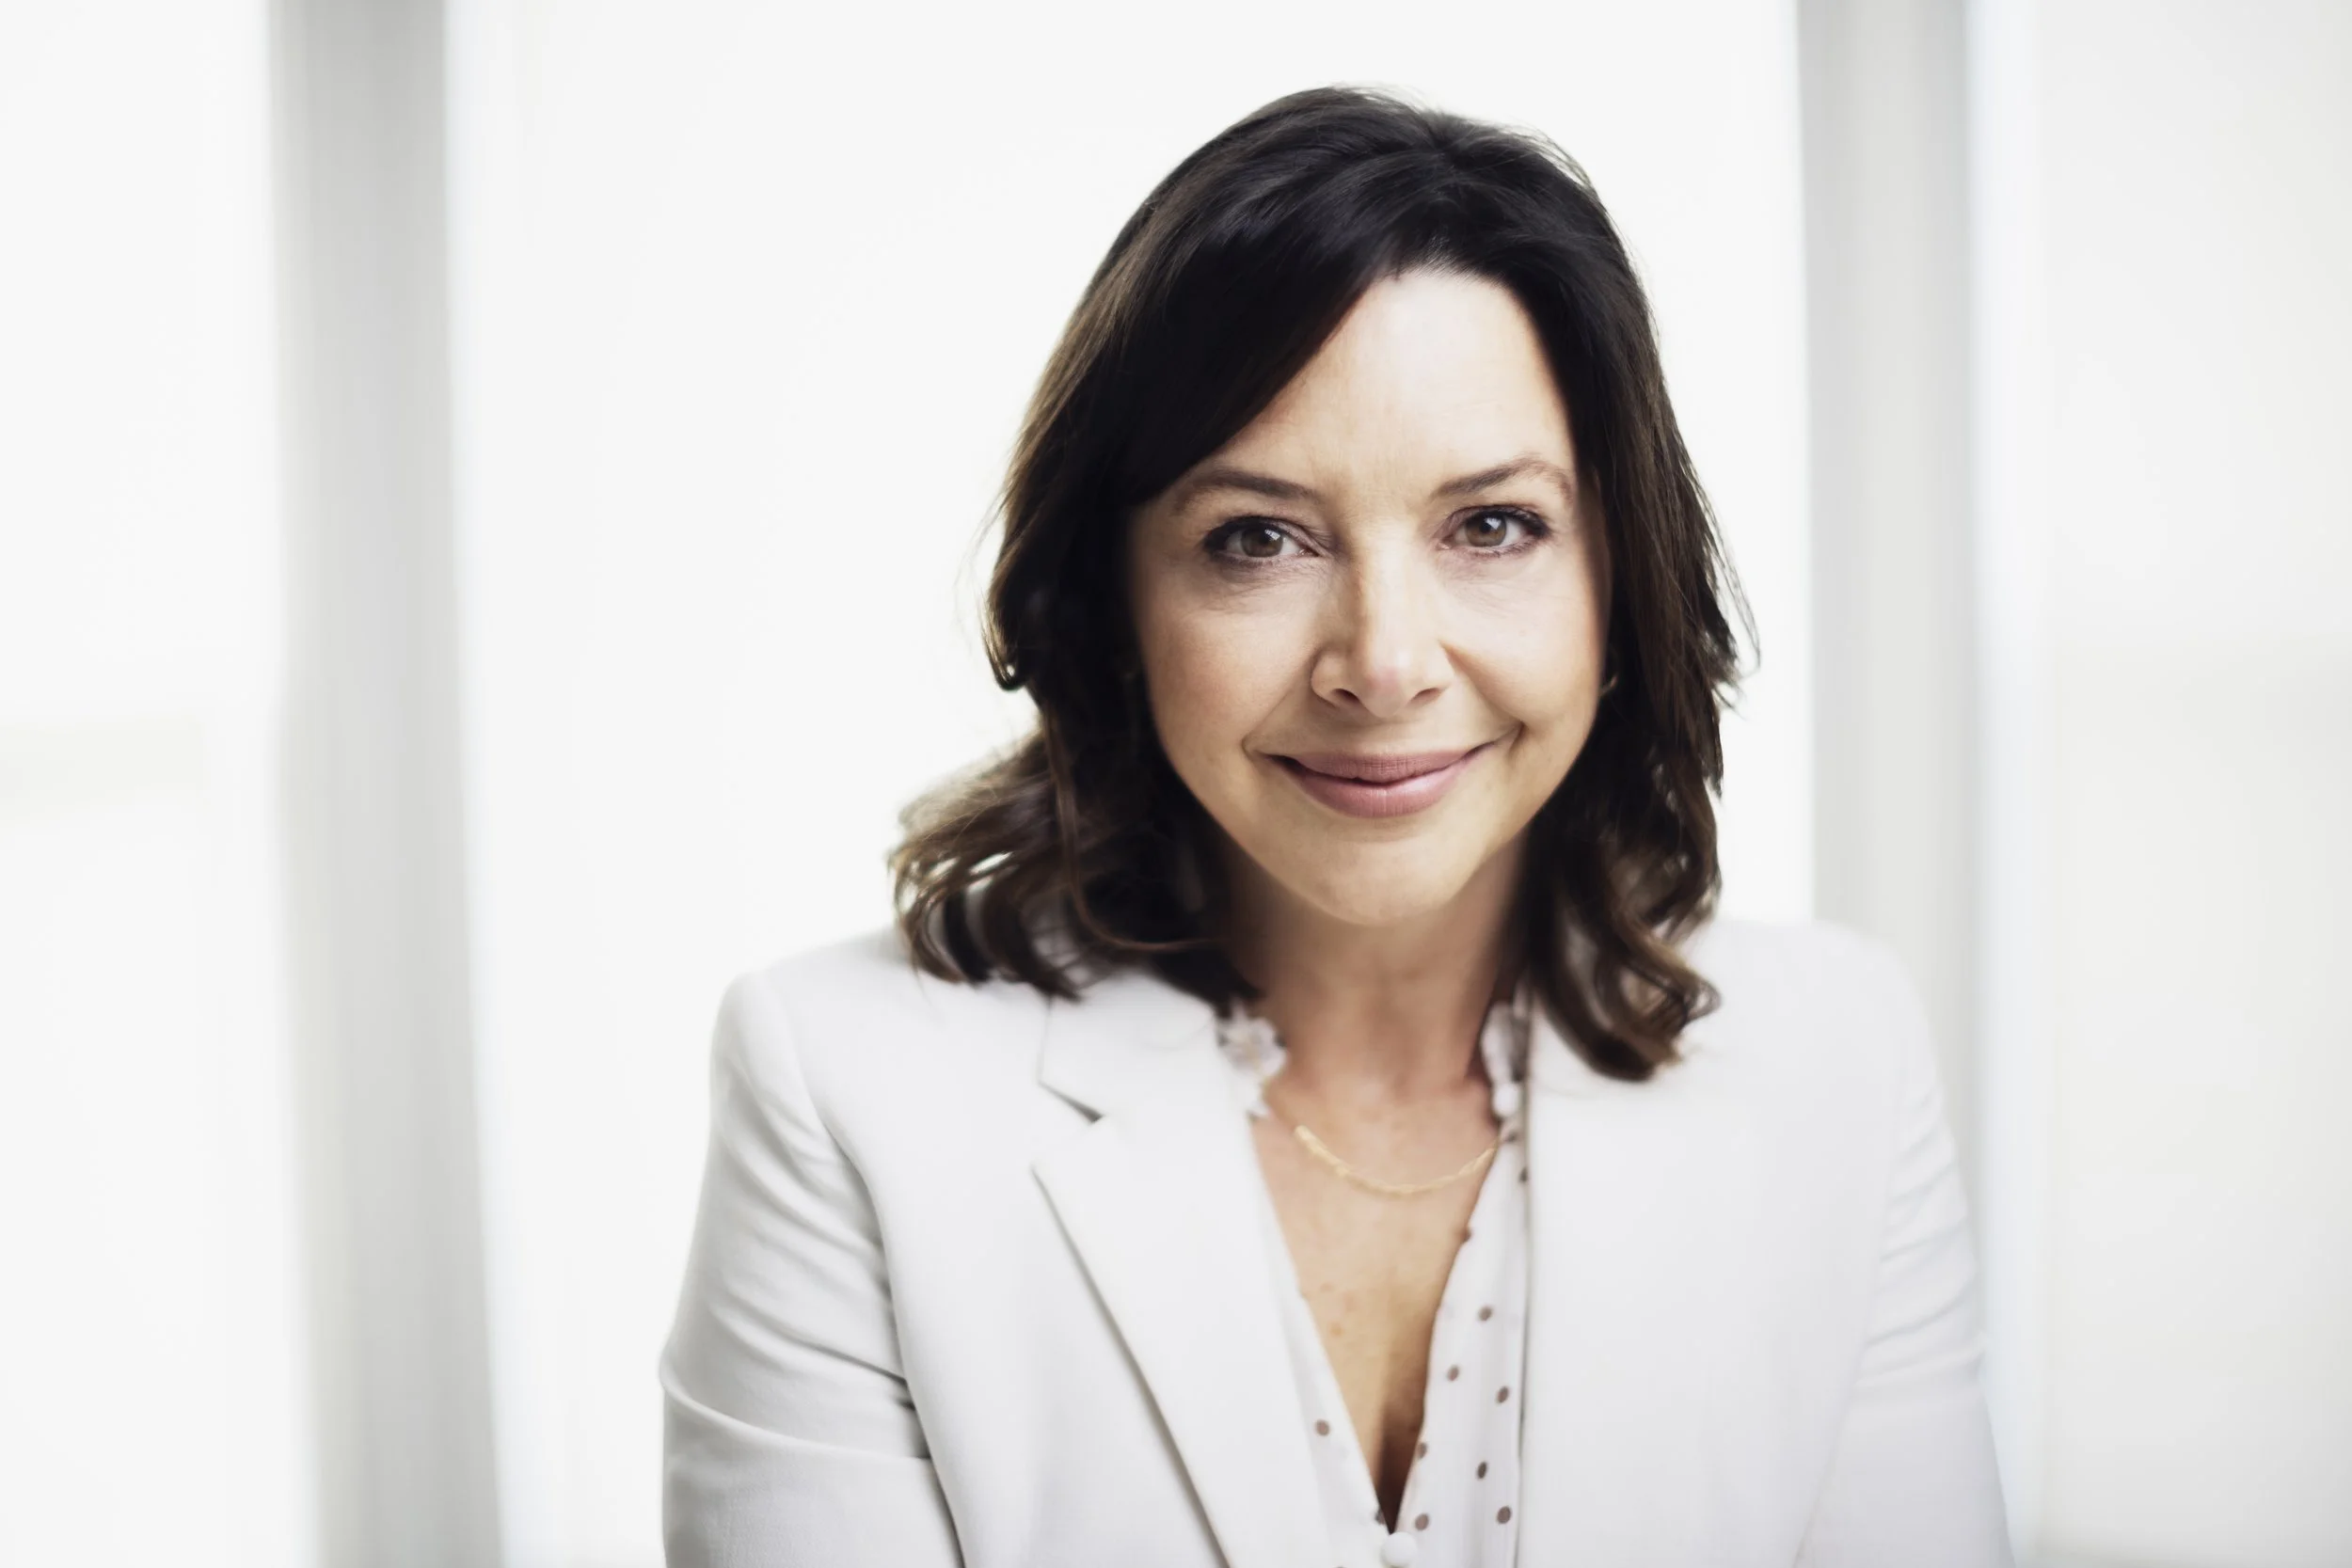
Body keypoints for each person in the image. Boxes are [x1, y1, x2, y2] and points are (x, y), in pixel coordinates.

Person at [658, 86, 2011, 1568]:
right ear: (1113, 600)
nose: (1384, 659)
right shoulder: (842, 1089)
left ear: (1619, 577)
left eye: (1490, 525)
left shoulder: (1842, 1065)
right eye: (1258, 538)